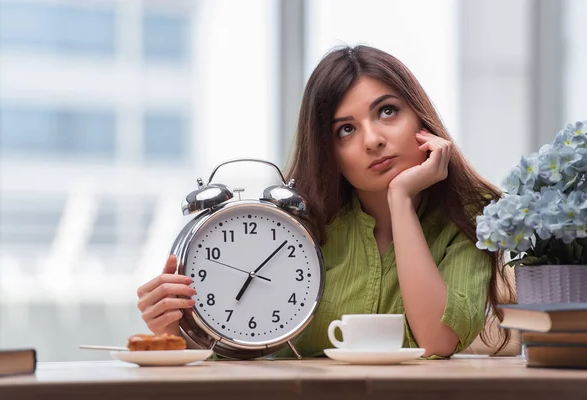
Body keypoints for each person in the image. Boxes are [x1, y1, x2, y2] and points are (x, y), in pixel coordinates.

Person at [136, 45, 513, 359]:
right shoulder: (294, 227)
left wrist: (400, 200)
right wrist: (173, 330)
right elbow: (242, 348)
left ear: (421, 117)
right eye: (345, 129)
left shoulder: (471, 215)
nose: (372, 140)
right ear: (328, 149)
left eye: (387, 111)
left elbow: (437, 340)